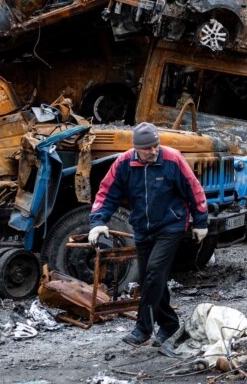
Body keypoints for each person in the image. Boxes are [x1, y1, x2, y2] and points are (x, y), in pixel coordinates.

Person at [89, 122, 209, 346]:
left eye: (156, 145)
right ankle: (169, 323)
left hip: (170, 226)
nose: (153, 151)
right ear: (136, 148)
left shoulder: (173, 159)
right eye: (148, 148)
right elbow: (107, 193)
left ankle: (142, 329)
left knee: (154, 272)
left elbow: (194, 188)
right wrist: (98, 221)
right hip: (143, 228)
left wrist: (201, 221)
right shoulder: (124, 163)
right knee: (149, 279)